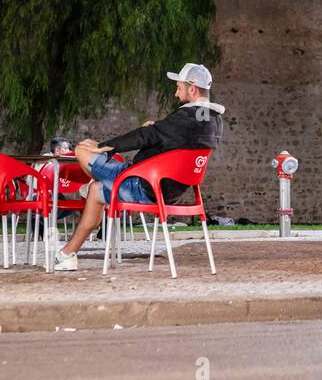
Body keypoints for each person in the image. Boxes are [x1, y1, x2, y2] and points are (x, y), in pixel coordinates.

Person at [53, 63, 225, 271]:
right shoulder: (213, 121)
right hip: (168, 191)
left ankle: (94, 186)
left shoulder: (185, 117)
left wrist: (104, 146)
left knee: (82, 150)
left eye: (179, 87)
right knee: (96, 191)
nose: (175, 92)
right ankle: (67, 253)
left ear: (192, 88)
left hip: (142, 184)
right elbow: (178, 137)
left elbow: (145, 137)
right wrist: (158, 128)